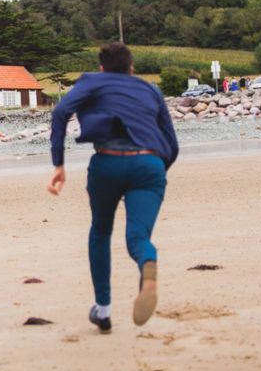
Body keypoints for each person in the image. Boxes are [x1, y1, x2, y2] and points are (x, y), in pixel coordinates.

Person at [47, 42, 179, 333]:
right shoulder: (150, 89)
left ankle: (103, 310)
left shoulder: (93, 82)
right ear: (131, 69)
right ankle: (148, 264)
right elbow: (172, 144)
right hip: (150, 165)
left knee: (101, 230)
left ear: (102, 68)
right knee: (138, 236)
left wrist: (59, 164)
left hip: (107, 164)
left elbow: (60, 113)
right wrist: (153, 172)